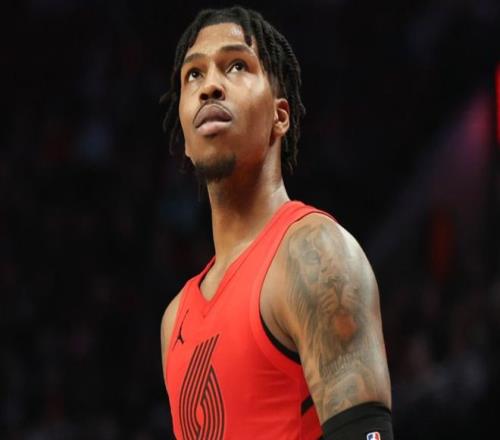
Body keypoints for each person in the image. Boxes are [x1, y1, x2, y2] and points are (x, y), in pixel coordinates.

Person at [159, 6, 393, 439]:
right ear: (186, 142)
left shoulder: (313, 254)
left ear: (279, 116)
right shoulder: (175, 320)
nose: (210, 85)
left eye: (236, 65)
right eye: (193, 74)